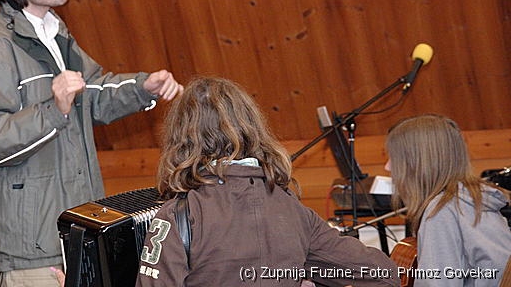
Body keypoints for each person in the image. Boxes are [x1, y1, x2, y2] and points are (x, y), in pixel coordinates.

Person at [0, 0, 183, 286]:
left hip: (74, 231)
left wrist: (142, 87)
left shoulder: (55, 34)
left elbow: (92, 92)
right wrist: (54, 110)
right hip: (31, 250)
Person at [136, 77, 399, 287]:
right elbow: (384, 274)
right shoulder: (293, 209)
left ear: (181, 138)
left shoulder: (178, 215)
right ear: (252, 127)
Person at [385, 114, 511, 286]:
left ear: (418, 163)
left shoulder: (441, 211)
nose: (387, 166)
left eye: (394, 158)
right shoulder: (473, 201)